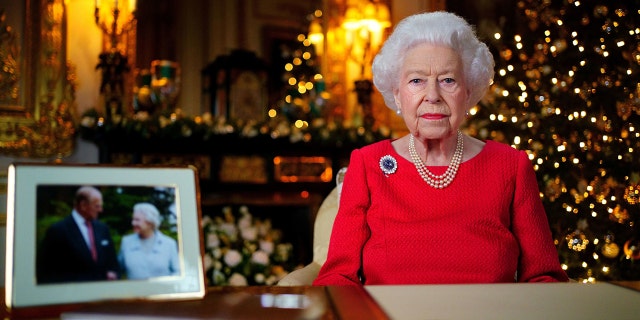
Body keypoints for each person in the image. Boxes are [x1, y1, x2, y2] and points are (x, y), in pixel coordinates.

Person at [313, 12, 569, 286]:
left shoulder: (510, 165)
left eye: (448, 80)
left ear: (468, 92)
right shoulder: (368, 164)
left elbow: (544, 277)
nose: (433, 95)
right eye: (416, 81)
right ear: (397, 93)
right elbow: (337, 278)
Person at [37, 186, 119, 283]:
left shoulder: (102, 229)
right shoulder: (58, 230)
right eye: (97, 206)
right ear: (83, 205)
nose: (101, 210)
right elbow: (45, 270)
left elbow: (113, 262)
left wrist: (113, 273)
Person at [118, 202, 180, 280]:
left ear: (150, 223)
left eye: (137, 220)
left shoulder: (169, 244)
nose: (133, 223)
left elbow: (177, 272)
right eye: (133, 219)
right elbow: (118, 270)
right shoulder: (126, 242)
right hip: (134, 291)